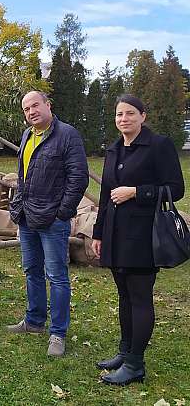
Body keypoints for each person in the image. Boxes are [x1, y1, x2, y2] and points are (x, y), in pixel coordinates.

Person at [91, 94, 184, 385]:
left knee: (140, 298)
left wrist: (135, 192)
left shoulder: (158, 146)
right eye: (119, 114)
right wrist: (98, 233)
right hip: (116, 234)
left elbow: (175, 189)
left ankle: (135, 365)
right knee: (124, 296)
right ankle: (125, 352)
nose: (124, 119)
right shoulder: (114, 150)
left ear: (143, 116)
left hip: (143, 236)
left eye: (130, 113)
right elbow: (106, 195)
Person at [8, 91, 89, 357]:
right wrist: (17, 206)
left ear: (47, 105)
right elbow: (23, 176)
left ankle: (58, 333)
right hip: (28, 217)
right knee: (32, 270)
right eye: (26, 109)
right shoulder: (27, 135)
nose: (31, 111)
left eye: (35, 105)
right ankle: (33, 322)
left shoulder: (67, 135)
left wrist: (62, 212)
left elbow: (78, 178)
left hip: (53, 220)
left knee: (57, 276)